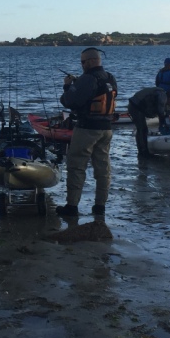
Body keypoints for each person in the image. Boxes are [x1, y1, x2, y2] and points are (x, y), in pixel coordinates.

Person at [55, 47, 117, 217]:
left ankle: (72, 206)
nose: (82, 65)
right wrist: (78, 85)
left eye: (83, 62)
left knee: (76, 167)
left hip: (86, 129)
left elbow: (68, 101)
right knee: (103, 169)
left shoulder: (87, 79)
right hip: (106, 129)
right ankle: (100, 206)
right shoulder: (110, 78)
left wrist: (67, 86)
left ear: (91, 61)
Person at [128, 87, 170, 157]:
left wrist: (163, 117)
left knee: (141, 129)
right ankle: (144, 152)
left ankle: (141, 150)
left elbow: (158, 111)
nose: (169, 105)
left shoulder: (160, 93)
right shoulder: (163, 96)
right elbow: (160, 111)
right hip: (136, 107)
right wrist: (164, 122)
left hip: (133, 105)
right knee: (143, 129)